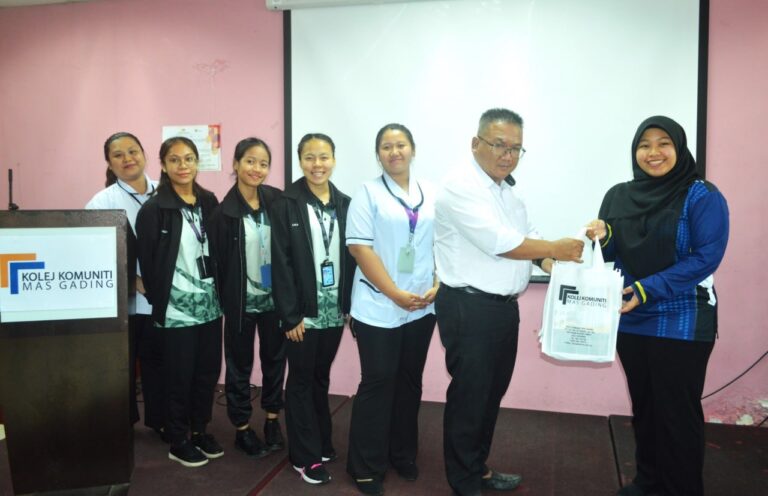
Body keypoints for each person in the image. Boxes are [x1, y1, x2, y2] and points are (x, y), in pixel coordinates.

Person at [434, 108, 584, 496]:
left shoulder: (507, 191)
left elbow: (527, 233)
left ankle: (478, 468)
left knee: (490, 394)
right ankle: (464, 481)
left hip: (502, 309)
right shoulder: (459, 186)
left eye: (516, 148)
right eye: (500, 145)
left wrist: (551, 262)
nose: (508, 155)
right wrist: (555, 248)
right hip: (469, 308)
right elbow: (500, 242)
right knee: (470, 396)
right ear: (476, 143)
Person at [587, 116, 729, 496]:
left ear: (679, 148)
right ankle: (648, 483)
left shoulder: (702, 196)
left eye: (663, 143)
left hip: (683, 319)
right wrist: (603, 237)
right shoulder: (618, 195)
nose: (653, 152)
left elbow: (706, 257)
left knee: (676, 417)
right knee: (646, 408)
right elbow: (610, 256)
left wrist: (647, 288)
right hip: (631, 317)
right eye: (644, 144)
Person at [345, 124, 438, 496]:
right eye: (386, 146)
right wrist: (395, 293)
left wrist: (439, 283)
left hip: (421, 305)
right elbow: (360, 249)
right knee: (378, 381)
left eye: (401, 145)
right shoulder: (367, 193)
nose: (394, 151)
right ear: (378, 154)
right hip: (379, 305)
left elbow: (444, 242)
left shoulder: (431, 193)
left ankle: (402, 453)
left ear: (413, 149)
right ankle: (366, 466)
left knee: (409, 382)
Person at [271, 133, 355, 486]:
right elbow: (280, 261)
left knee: (320, 377)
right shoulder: (286, 203)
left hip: (334, 311)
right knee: (301, 382)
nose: (317, 164)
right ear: (300, 160)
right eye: (309, 157)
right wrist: (290, 315)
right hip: (302, 314)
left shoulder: (345, 203)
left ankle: (320, 440)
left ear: (333, 159)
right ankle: (304, 457)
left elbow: (354, 258)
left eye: (323, 157)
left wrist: (349, 305)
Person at [136, 136, 223, 468]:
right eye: (174, 160)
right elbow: (148, 262)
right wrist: (160, 298)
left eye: (188, 159)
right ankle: (178, 438)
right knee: (179, 377)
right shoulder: (154, 209)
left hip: (210, 306)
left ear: (197, 163)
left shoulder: (209, 201)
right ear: (163, 165)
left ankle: (199, 431)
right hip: (176, 311)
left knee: (206, 373)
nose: (182, 165)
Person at [208, 137, 286, 459]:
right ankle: (241, 427)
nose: (257, 169)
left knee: (275, 361)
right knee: (239, 365)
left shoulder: (277, 201)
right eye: (250, 161)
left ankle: (272, 419)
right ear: (236, 164)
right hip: (241, 303)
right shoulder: (223, 213)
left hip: (274, 301)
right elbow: (218, 263)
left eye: (263, 163)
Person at [85, 132, 165, 439]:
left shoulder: (166, 191)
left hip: (162, 298)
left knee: (159, 362)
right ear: (109, 163)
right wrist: (133, 280)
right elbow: (93, 254)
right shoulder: (102, 202)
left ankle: (160, 420)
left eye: (133, 151)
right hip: (124, 301)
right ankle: (123, 423)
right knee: (124, 365)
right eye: (118, 155)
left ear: (144, 154)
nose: (127, 158)